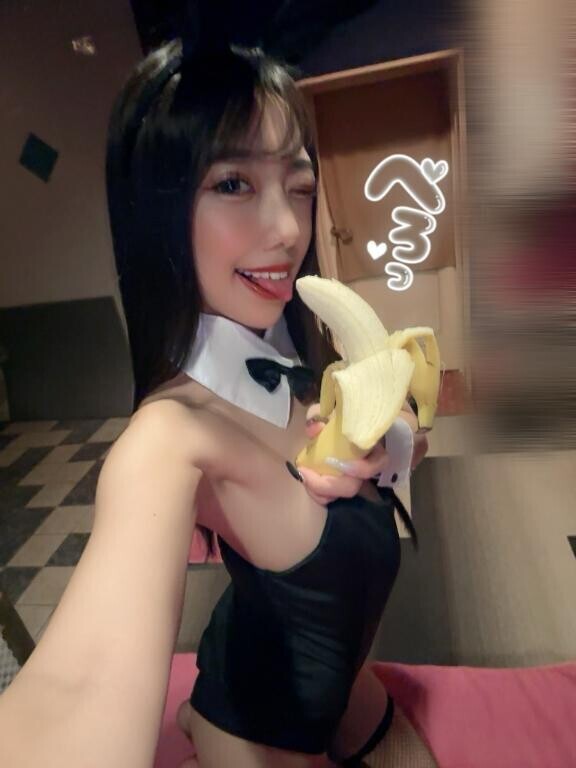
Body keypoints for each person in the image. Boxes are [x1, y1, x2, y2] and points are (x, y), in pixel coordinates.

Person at [0, 38, 433, 768]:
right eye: (234, 183)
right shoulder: (168, 438)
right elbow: (75, 692)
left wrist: (394, 439)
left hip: (345, 689)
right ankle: (201, 721)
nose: (289, 229)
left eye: (299, 185)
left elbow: (397, 449)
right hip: (258, 726)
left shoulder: (295, 351)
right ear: (159, 208)